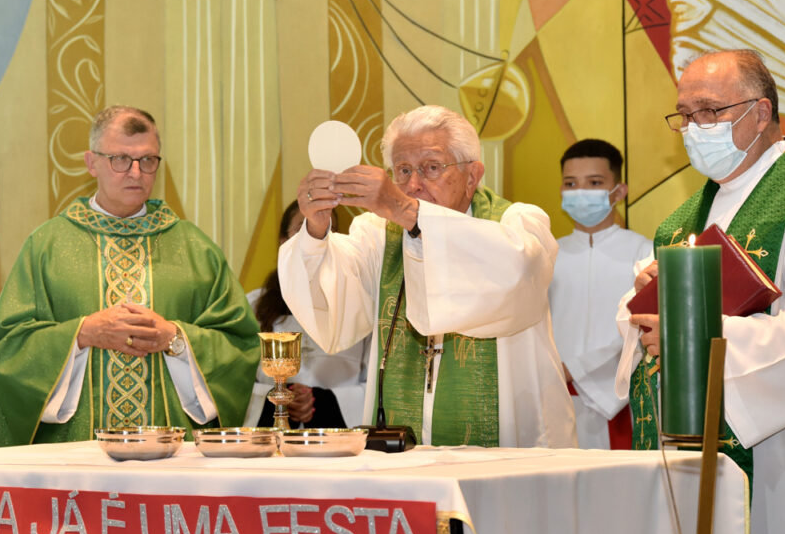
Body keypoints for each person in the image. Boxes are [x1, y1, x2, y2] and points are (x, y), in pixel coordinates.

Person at [279, 105, 576, 447]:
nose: (414, 184)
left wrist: (406, 210)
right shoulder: (377, 233)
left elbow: (518, 270)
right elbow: (336, 304)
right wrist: (316, 229)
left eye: (431, 168)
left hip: (508, 449)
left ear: (472, 175)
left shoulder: (518, 222)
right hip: (401, 448)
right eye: (403, 170)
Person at [614, 49, 785, 534]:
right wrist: (646, 309)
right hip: (688, 448)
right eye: (685, 116)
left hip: (774, 453)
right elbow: (639, 324)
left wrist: (696, 333)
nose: (695, 129)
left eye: (711, 112)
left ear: (760, 114)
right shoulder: (684, 218)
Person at [0, 106, 259, 445]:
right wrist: (82, 334)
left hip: (172, 458)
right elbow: (6, 346)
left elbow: (240, 345)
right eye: (120, 159)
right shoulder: (47, 246)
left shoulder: (195, 250)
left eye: (148, 160)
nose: (136, 173)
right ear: (91, 162)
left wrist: (175, 339)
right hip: (75, 455)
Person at [549, 139, 651, 449]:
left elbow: (639, 329)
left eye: (594, 183)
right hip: (554, 396)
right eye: (571, 183)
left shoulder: (644, 254)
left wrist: (577, 369)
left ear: (619, 192)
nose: (581, 192)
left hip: (619, 401)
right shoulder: (547, 255)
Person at [244, 200, 369, 429]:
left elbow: (373, 385)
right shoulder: (253, 306)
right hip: (270, 429)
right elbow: (237, 383)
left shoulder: (360, 305)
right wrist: (281, 397)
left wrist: (324, 401)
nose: (315, 238)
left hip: (339, 430)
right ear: (284, 241)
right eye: (304, 228)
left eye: (327, 230)